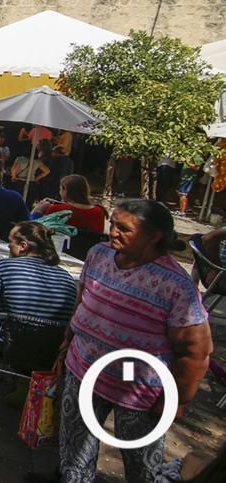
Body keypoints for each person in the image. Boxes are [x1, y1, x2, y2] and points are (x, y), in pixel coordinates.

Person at [57, 200, 211, 483]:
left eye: (124, 228)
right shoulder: (98, 254)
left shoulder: (176, 285)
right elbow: (83, 302)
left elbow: (196, 352)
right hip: (83, 371)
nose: (112, 232)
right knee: (75, 457)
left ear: (154, 236)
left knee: (142, 468)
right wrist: (67, 344)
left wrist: (176, 400)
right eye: (112, 224)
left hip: (139, 392)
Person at [0, 221, 79, 351]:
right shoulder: (67, 278)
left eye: (10, 242)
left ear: (23, 246)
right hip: (50, 349)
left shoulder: (4, 267)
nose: (8, 246)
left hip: (10, 345)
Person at [31, 174, 107, 234]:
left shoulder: (56, 210)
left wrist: (37, 210)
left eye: (60, 189)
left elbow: (32, 229)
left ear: (65, 190)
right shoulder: (99, 211)